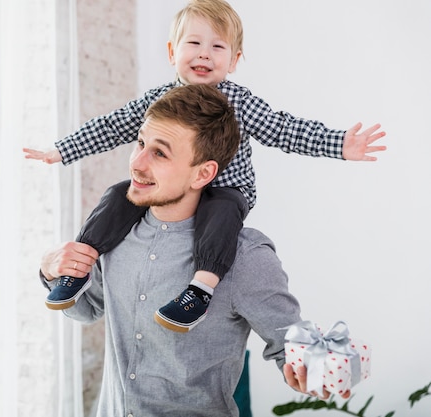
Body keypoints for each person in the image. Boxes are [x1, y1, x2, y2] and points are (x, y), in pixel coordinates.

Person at [25, 0, 387, 332]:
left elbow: (284, 129)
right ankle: (80, 266)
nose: (204, 54)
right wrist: (61, 149)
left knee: (223, 208)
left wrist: (339, 143)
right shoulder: (158, 100)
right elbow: (113, 125)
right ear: (172, 52)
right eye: (193, 44)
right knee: (118, 193)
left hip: (227, 192)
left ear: (233, 61)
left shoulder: (240, 103)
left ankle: (199, 289)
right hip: (170, 194)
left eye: (217, 47)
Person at [38, 84, 349, 416]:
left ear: (204, 173)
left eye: (160, 153)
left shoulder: (245, 256)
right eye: (140, 143)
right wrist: (49, 271)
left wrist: (309, 371)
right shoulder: (114, 232)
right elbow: (85, 310)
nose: (137, 164)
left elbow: (289, 348)